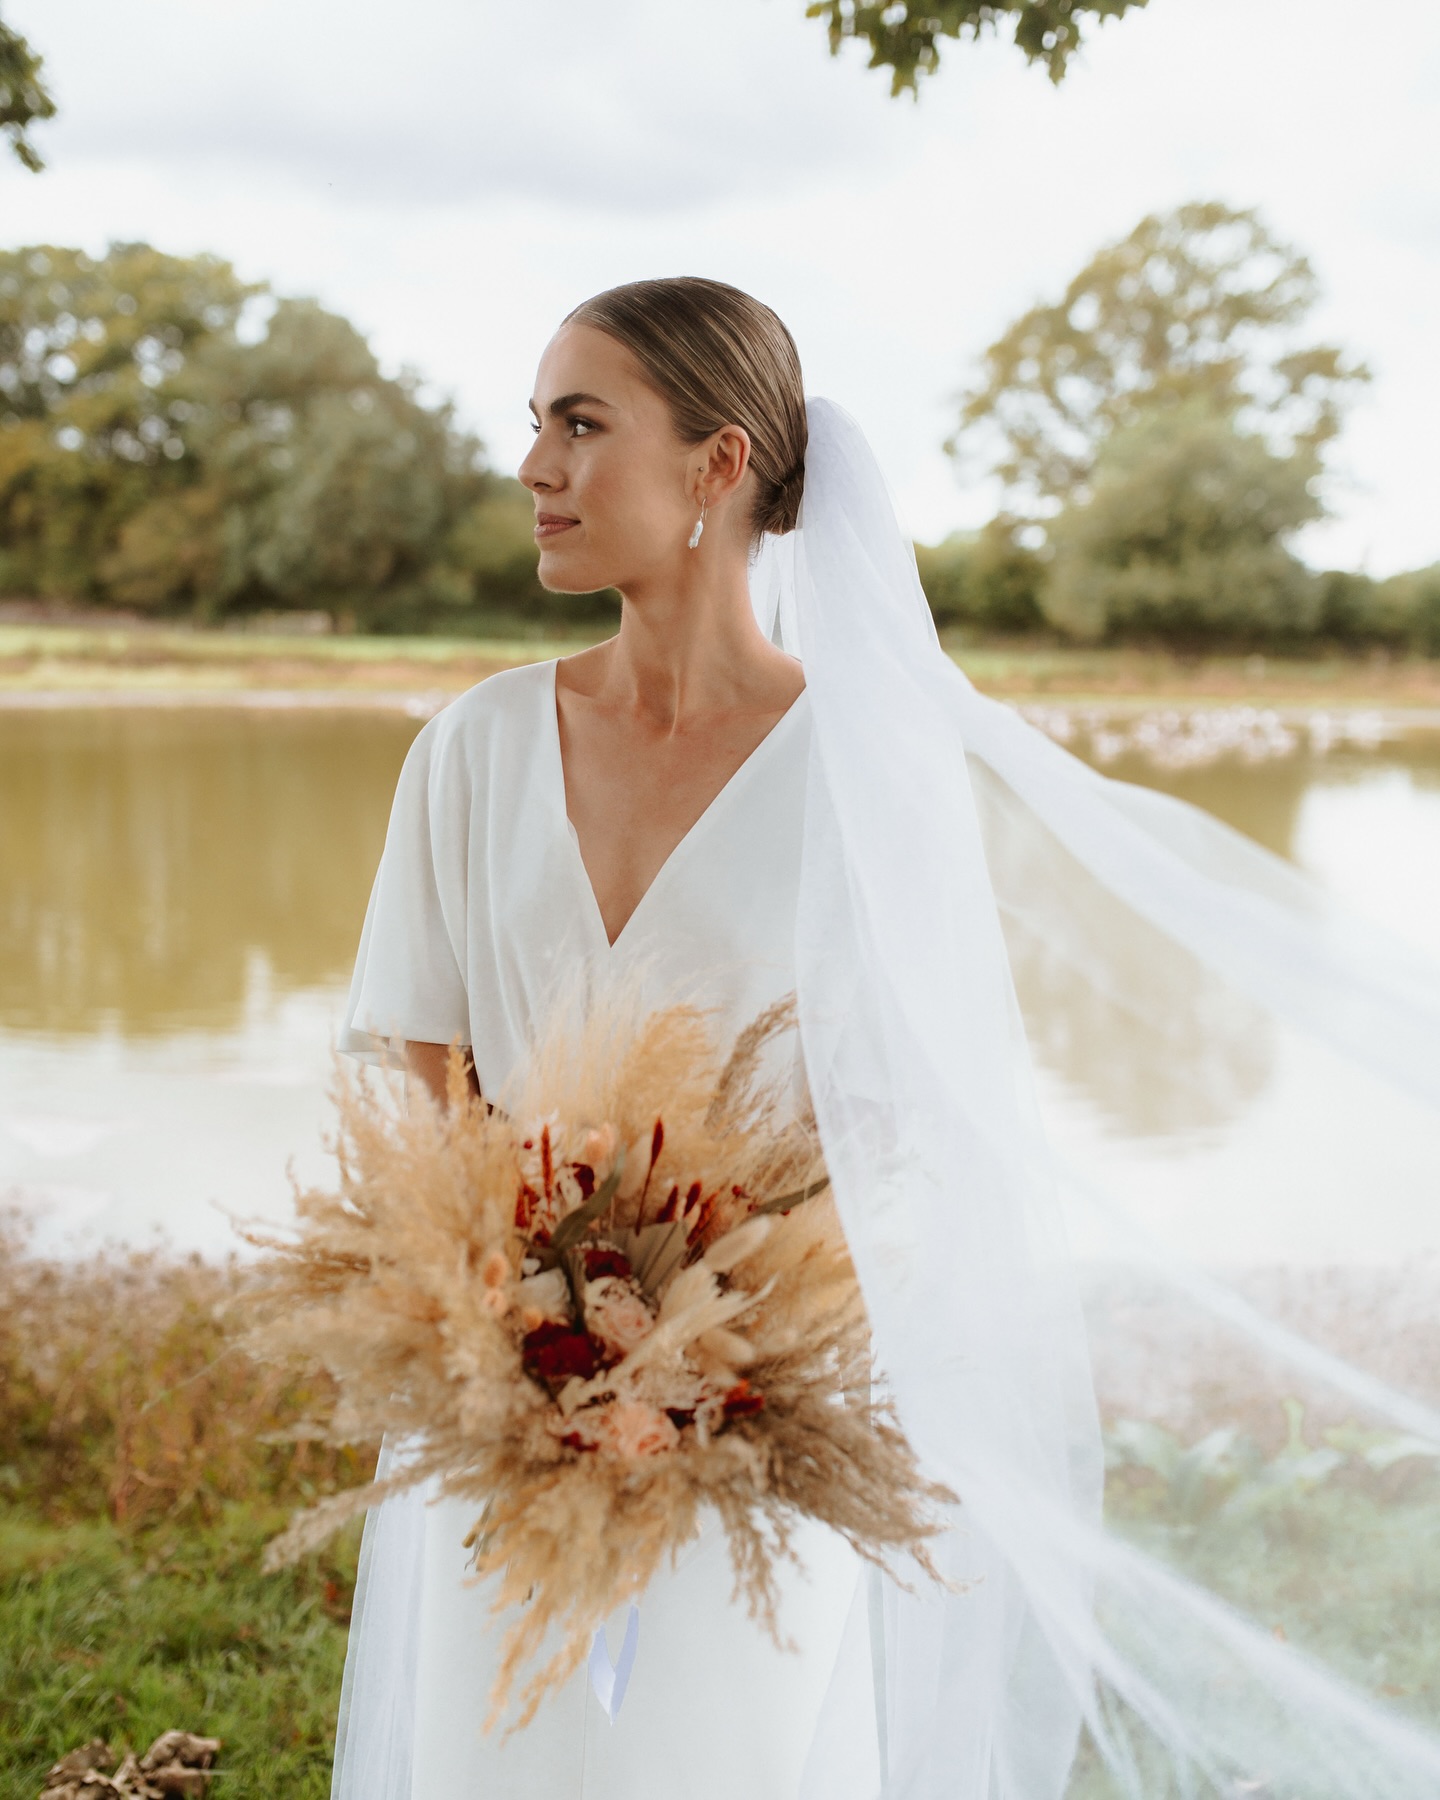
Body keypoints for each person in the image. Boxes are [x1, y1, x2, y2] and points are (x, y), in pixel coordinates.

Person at [337, 278, 1440, 1800]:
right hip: (501, 1410)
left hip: (754, 1417)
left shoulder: (863, 773)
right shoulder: (469, 750)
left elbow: (911, 1119)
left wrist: (698, 1352)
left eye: (580, 425)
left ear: (718, 467)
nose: (534, 465)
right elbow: (417, 1074)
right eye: (535, 424)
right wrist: (516, 1324)